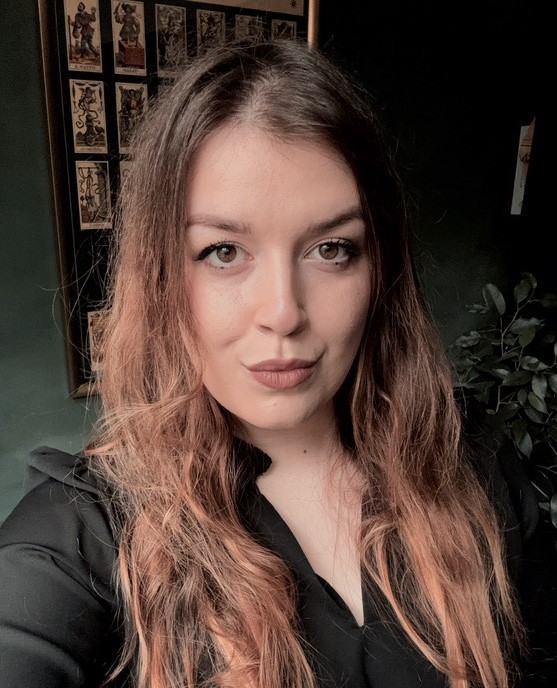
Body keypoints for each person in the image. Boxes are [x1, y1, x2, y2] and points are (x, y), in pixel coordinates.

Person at [0, 39, 538, 687]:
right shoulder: (82, 531)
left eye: (331, 248)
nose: (283, 312)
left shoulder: (474, 461)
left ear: (381, 272)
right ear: (162, 276)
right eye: (224, 252)